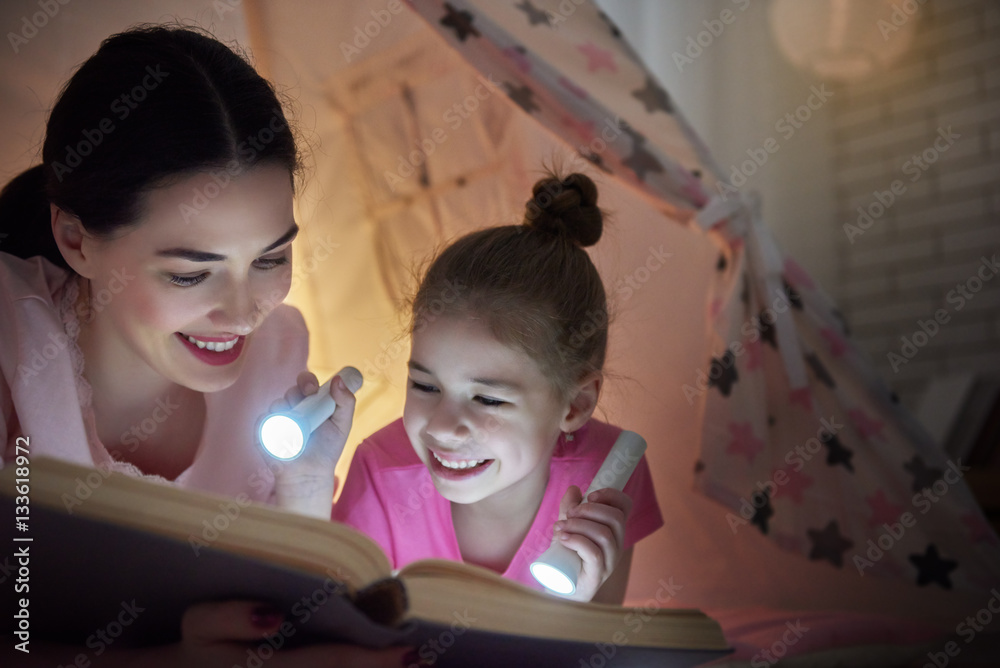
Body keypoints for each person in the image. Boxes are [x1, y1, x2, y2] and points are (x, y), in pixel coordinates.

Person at [0, 25, 415, 667]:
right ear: (77, 240)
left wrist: (304, 489)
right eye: (191, 273)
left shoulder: (277, 355)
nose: (244, 312)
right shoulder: (12, 349)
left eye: (272, 258)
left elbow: (290, 618)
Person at [333, 173, 664, 604]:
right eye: (424, 385)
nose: (444, 428)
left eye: (488, 398)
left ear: (575, 404)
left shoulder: (610, 477)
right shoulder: (381, 476)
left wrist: (580, 613)